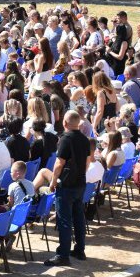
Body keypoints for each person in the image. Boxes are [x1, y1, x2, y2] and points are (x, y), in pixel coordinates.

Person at [44, 110, 90, 267]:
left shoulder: (65, 139)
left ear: (65, 123)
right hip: (80, 183)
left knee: (64, 220)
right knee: (78, 217)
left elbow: (59, 163)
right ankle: (79, 249)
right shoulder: (85, 139)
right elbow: (87, 162)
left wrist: (53, 181)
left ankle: (63, 254)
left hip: (67, 184)